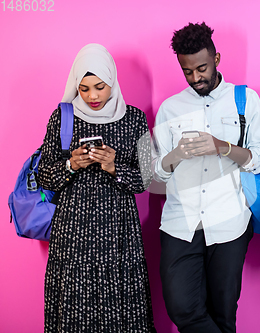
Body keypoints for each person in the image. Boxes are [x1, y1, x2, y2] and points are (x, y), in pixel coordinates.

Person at [152, 22, 260, 333]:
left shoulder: (245, 100)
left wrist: (223, 147)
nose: (196, 78)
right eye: (187, 71)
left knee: (222, 314)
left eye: (201, 68)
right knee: (182, 309)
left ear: (216, 58)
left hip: (229, 220)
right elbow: (149, 176)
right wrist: (175, 155)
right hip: (180, 222)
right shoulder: (168, 109)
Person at [39, 43, 155, 332]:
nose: (93, 96)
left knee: (121, 302)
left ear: (112, 81)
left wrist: (115, 166)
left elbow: (147, 179)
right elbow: (43, 176)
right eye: (84, 88)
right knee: (74, 304)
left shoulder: (135, 119)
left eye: (100, 87)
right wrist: (71, 165)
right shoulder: (62, 118)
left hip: (119, 230)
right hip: (73, 231)